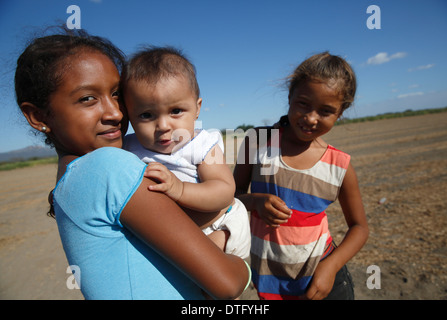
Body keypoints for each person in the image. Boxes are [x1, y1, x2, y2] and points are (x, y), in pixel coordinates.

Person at [15, 28, 251, 300]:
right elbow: (228, 284)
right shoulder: (111, 165)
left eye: (116, 94)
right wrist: (242, 266)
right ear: (37, 115)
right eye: (87, 98)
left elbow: (223, 188)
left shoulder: (72, 181)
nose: (115, 113)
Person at [233, 52, 369, 300]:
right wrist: (254, 202)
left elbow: (359, 227)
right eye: (303, 104)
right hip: (269, 281)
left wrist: (331, 267)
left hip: (322, 281)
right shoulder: (259, 141)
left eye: (326, 111)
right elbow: (230, 198)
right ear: (290, 97)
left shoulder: (340, 166)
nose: (310, 118)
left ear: (340, 113)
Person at [121, 47, 250, 259]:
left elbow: (224, 189)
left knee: (213, 272)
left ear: (197, 108)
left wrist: (179, 189)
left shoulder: (202, 145)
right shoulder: (128, 147)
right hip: (166, 236)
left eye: (176, 111)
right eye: (146, 115)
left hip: (216, 226)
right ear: (129, 116)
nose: (163, 125)